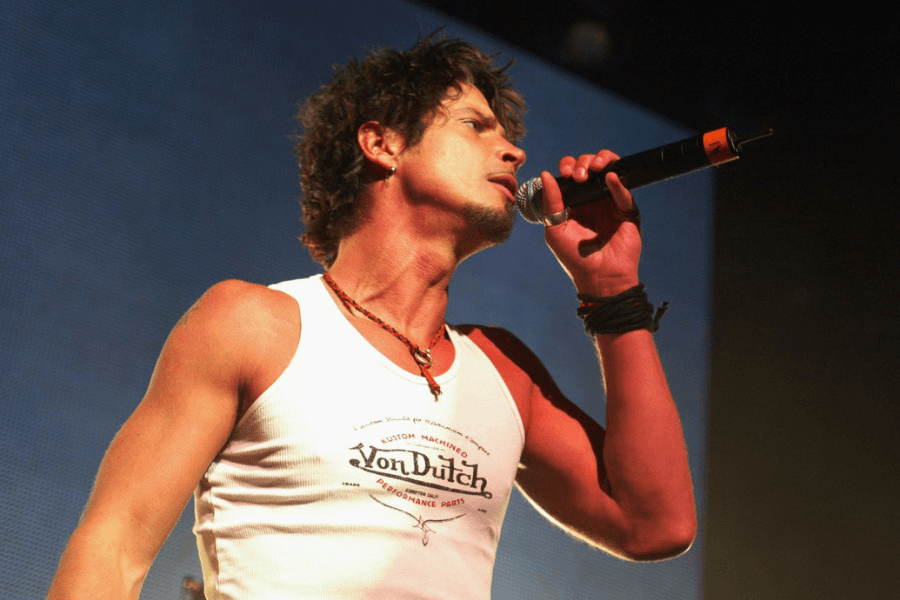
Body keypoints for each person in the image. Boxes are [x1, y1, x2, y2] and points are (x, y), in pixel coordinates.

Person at [47, 35, 696, 599]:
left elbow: (655, 525)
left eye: (508, 135)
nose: (516, 153)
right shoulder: (255, 325)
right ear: (382, 143)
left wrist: (612, 292)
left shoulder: (502, 370)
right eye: (476, 126)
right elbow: (113, 548)